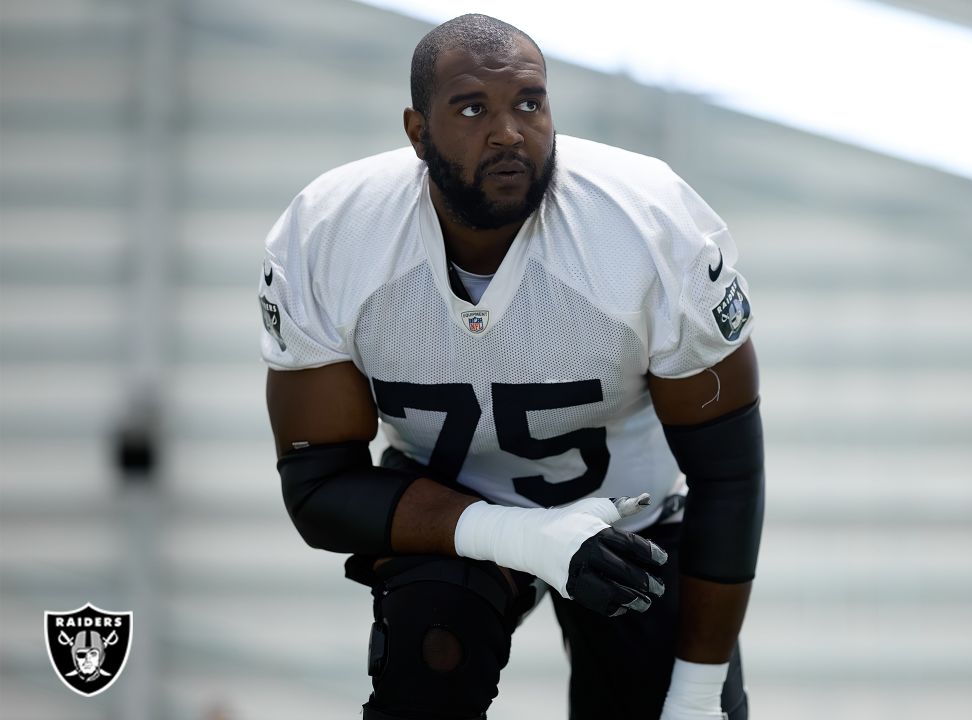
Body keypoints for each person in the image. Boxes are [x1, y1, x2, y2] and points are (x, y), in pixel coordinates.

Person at [259, 14, 764, 720]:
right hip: (450, 513)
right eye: (472, 108)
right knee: (429, 655)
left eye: (530, 102)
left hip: (635, 523)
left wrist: (700, 691)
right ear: (417, 130)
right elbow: (317, 490)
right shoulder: (332, 233)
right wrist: (520, 536)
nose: (508, 132)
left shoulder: (645, 224)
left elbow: (728, 476)